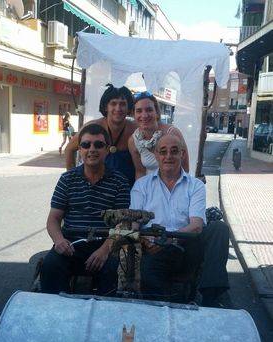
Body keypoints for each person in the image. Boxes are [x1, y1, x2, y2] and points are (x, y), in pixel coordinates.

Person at [130, 130, 229, 306]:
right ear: (156, 155)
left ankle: (210, 299)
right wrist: (146, 241)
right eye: (163, 151)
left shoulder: (196, 186)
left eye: (174, 151)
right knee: (152, 292)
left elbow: (196, 226)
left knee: (218, 229)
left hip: (187, 247)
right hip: (154, 249)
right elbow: (134, 223)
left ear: (182, 154)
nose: (169, 156)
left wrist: (166, 238)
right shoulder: (141, 186)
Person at [41, 123, 130, 295]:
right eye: (86, 145)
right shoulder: (67, 179)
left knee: (114, 271)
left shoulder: (120, 181)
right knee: (50, 266)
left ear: (107, 149)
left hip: (105, 244)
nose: (92, 149)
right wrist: (59, 241)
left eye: (98, 145)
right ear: (80, 150)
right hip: (71, 243)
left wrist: (104, 250)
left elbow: (123, 223)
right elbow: (53, 219)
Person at [65, 84, 137, 186]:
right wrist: (72, 182)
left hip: (127, 191)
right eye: (113, 103)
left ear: (128, 107)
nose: (118, 108)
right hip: (96, 191)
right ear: (105, 106)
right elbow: (69, 149)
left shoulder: (135, 129)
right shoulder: (91, 127)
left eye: (123, 104)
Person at [128, 92, 190, 180]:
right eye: (139, 111)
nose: (144, 115)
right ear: (134, 114)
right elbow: (140, 172)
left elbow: (185, 168)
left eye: (149, 110)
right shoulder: (133, 141)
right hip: (149, 190)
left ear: (156, 113)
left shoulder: (172, 133)